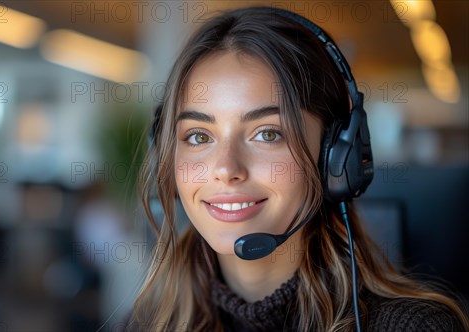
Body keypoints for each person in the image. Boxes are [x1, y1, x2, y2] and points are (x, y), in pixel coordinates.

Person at [129, 6, 469, 332]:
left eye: (267, 133)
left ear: (335, 156)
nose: (225, 169)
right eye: (199, 136)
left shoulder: (415, 327)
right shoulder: (146, 323)